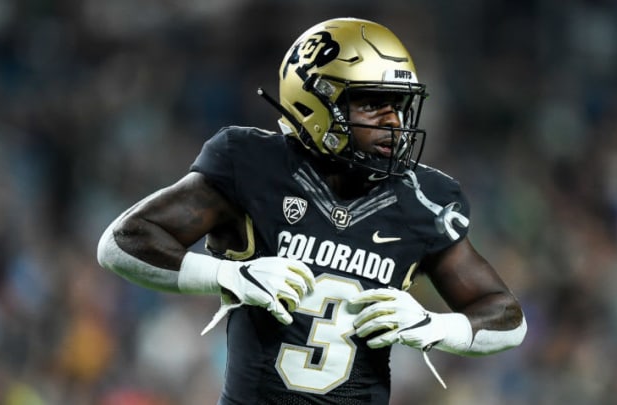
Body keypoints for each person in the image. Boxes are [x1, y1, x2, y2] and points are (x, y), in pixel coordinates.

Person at [97, 17, 527, 404]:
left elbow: (507, 317)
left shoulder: (423, 198)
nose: (393, 121)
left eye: (398, 104)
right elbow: (122, 243)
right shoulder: (251, 164)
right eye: (373, 103)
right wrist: (229, 275)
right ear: (318, 104)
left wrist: (433, 326)